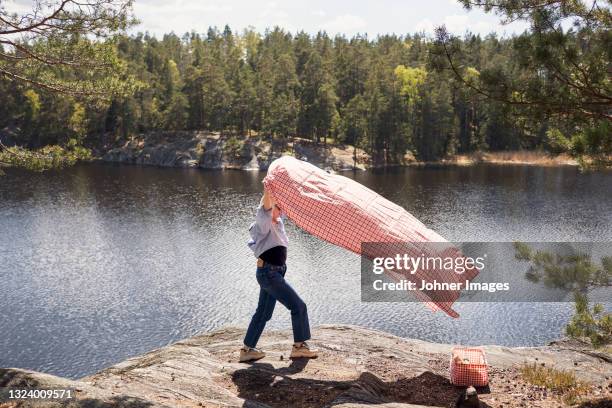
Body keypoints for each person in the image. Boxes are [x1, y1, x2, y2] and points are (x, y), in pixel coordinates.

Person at [240, 186, 318, 362]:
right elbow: (266, 206)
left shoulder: (278, 223)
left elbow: (285, 208)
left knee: (263, 313)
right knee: (298, 306)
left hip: (275, 273)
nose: (280, 210)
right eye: (277, 207)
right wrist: (269, 188)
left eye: (281, 208)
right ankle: (299, 347)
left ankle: (247, 350)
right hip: (269, 273)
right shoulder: (263, 224)